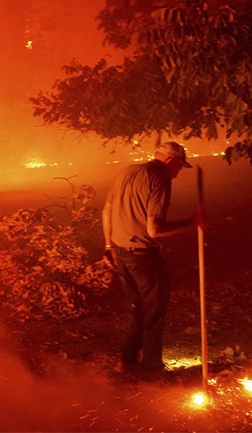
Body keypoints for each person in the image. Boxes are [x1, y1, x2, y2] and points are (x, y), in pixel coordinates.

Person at [101, 141, 200, 382]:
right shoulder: (160, 178)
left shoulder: (128, 171)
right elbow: (154, 229)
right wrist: (192, 224)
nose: (177, 174)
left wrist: (108, 247)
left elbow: (107, 211)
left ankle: (126, 362)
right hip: (143, 256)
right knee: (154, 312)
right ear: (170, 161)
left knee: (138, 307)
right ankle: (152, 372)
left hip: (121, 253)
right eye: (178, 167)